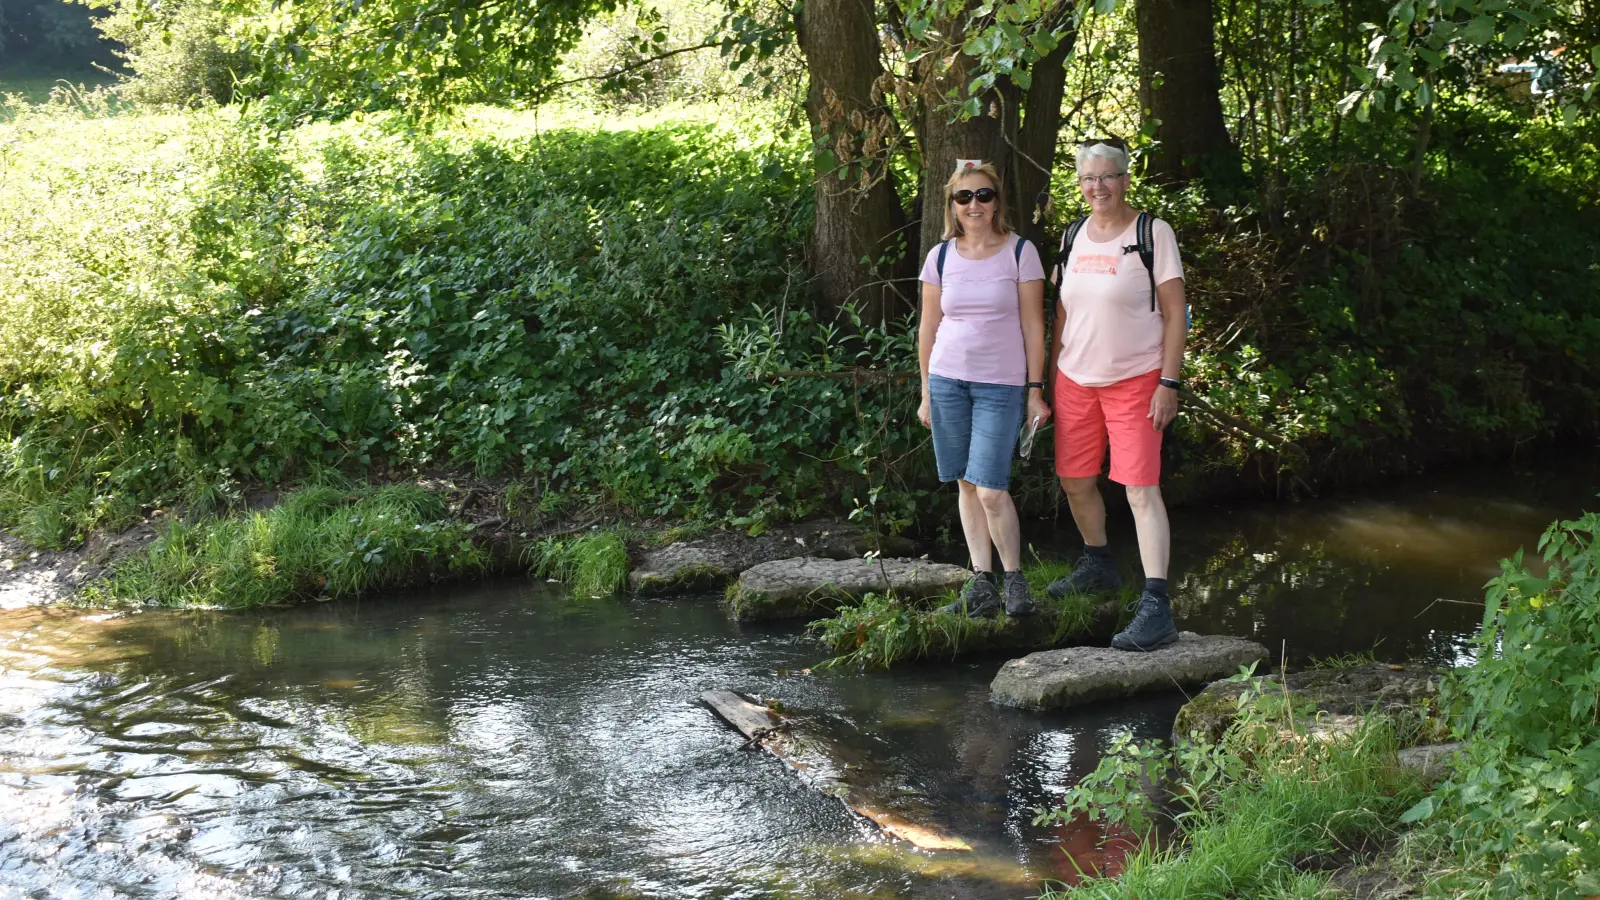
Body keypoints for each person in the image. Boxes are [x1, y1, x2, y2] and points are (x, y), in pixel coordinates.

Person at [1046, 138, 1188, 651]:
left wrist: (1168, 383)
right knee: (1075, 480)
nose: (1097, 187)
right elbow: (1061, 313)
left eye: (1107, 177)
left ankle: (1156, 606)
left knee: (1140, 490)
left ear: (1125, 180)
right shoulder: (1072, 235)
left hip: (1136, 379)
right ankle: (1099, 563)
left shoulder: (1152, 233)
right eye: (1088, 179)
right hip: (1075, 379)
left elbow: (1176, 313)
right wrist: (1043, 384)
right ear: (1080, 185)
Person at [916, 160, 1050, 618]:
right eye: (964, 197)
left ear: (997, 201)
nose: (974, 204)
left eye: (984, 195)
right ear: (953, 205)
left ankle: (1015, 582)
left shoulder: (1020, 252)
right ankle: (981, 583)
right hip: (947, 379)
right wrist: (925, 392)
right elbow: (928, 327)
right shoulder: (939, 256)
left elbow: (1035, 326)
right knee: (966, 485)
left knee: (991, 487)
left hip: (1002, 384)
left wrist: (1035, 389)